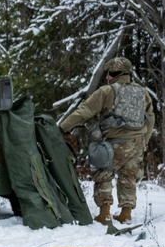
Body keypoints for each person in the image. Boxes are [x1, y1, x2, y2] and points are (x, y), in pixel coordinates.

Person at [59, 57, 154, 225]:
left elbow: (84, 111)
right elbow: (150, 118)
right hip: (137, 142)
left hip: (115, 143)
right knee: (129, 177)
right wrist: (143, 141)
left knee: (103, 175)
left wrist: (62, 128)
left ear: (111, 74)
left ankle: (105, 213)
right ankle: (126, 213)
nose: (107, 77)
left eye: (108, 74)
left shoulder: (107, 91)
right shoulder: (143, 92)